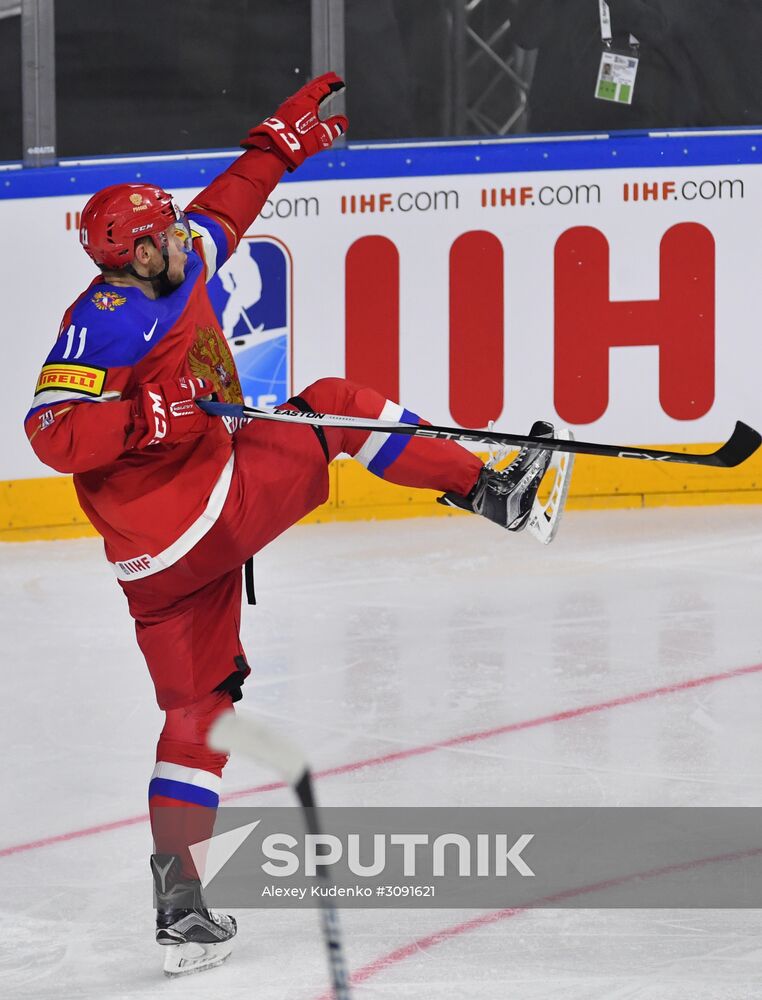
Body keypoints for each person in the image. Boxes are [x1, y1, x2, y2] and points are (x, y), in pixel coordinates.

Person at [23, 73, 567, 978]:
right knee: (340, 408)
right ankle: (496, 493)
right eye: (157, 232)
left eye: (168, 223)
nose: (175, 233)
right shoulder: (104, 321)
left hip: (153, 563)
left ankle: (181, 907)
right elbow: (48, 432)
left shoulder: (177, 256)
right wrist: (142, 421)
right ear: (123, 254)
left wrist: (274, 148)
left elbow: (224, 211)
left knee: (198, 713)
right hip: (199, 511)